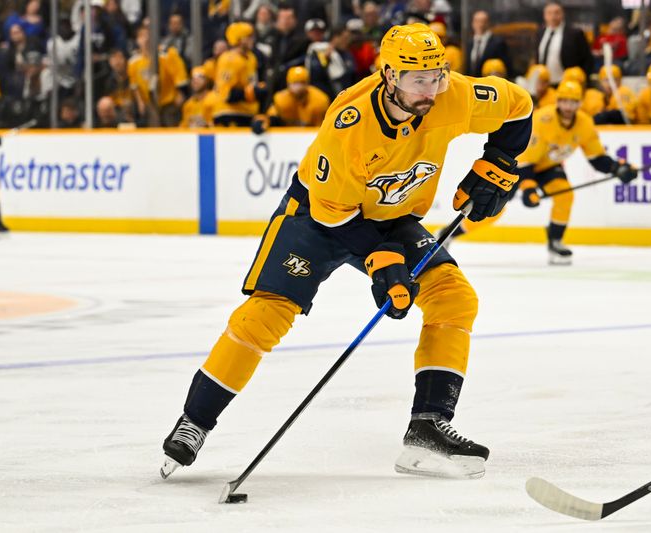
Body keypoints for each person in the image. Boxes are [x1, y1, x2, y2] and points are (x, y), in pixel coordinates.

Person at [160, 22, 534, 481]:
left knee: (453, 298)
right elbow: (332, 213)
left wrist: (498, 163)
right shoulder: (350, 123)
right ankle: (195, 421)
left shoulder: (452, 94)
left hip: (391, 216)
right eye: (419, 79)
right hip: (318, 217)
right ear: (389, 75)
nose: (431, 90)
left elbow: (519, 106)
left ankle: (427, 428)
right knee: (265, 314)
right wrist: (383, 262)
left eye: (437, 76)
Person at [516, 81, 636, 265]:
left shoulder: (584, 123)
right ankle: (464, 227)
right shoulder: (542, 119)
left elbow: (596, 158)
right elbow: (525, 160)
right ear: (558, 101)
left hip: (547, 167)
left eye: (573, 102)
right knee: (495, 203)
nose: (568, 107)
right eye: (564, 101)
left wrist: (617, 168)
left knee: (565, 195)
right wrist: (528, 187)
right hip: (518, 166)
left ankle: (555, 240)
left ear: (580, 103)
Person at [128, 26, 189, 127]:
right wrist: (140, 102)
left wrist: (180, 93)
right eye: (141, 36)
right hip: (150, 103)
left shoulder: (167, 54)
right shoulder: (133, 62)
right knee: (153, 128)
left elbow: (180, 75)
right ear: (137, 40)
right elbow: (134, 85)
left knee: (171, 126)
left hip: (169, 101)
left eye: (148, 35)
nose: (146, 39)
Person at [212, 21, 265, 127]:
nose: (252, 39)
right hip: (229, 113)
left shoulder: (252, 58)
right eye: (248, 36)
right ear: (239, 39)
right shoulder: (229, 59)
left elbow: (250, 84)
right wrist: (249, 93)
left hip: (247, 112)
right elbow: (225, 93)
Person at [251, 65, 330, 132]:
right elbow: (271, 116)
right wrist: (264, 121)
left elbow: (326, 124)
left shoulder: (320, 100)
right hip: (288, 137)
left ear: (307, 83)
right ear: (288, 84)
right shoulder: (280, 99)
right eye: (295, 83)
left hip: (313, 136)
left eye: (301, 82)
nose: (298, 87)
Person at [535, 2, 593, 84]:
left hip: (567, 83)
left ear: (563, 14)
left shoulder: (575, 33)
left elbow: (587, 60)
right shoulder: (540, 32)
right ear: (544, 15)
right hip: (544, 84)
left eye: (557, 12)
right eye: (549, 13)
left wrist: (582, 81)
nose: (553, 16)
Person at [467, 10, 510, 77]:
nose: (480, 24)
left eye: (483, 21)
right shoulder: (469, 43)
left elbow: (506, 67)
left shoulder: (498, 43)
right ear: (472, 23)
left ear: (488, 23)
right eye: (477, 21)